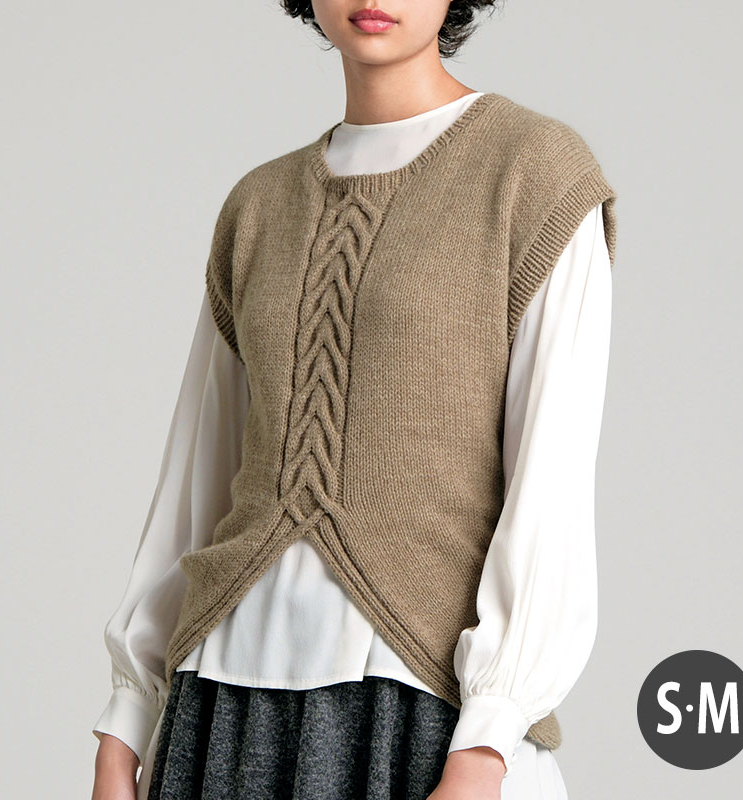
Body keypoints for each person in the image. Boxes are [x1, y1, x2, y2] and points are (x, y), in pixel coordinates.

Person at [91, 1, 617, 798]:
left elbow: (551, 481)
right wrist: (127, 719)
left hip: (420, 703)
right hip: (221, 703)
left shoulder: (533, 172)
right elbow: (196, 485)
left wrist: (488, 742)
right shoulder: (257, 206)